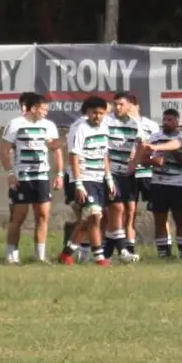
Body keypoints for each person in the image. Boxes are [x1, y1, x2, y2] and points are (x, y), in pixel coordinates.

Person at [1, 92, 63, 265]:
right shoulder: (15, 124)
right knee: (19, 216)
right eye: (43, 109)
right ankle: (12, 254)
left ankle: (40, 255)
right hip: (22, 176)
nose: (45, 113)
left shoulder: (49, 125)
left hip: (42, 176)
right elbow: (4, 150)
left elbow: (54, 148)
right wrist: (10, 173)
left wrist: (59, 173)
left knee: (43, 215)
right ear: (34, 108)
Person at [62, 96, 114, 265]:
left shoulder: (105, 127)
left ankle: (67, 253)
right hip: (83, 178)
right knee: (94, 215)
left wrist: (109, 178)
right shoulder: (79, 128)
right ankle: (99, 257)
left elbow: (104, 154)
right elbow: (74, 156)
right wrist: (78, 184)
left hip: (98, 178)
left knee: (90, 219)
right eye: (94, 113)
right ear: (87, 113)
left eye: (101, 113)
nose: (97, 116)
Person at [104, 91, 155, 262]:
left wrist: (135, 162)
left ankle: (105, 253)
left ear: (129, 106)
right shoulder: (107, 121)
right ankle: (123, 251)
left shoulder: (134, 123)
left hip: (126, 174)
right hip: (109, 172)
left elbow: (142, 142)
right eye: (115, 104)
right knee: (116, 210)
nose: (117, 107)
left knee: (123, 211)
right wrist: (107, 171)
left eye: (121, 104)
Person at [142, 107, 182, 259]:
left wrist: (175, 151)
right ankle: (164, 255)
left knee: (180, 220)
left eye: (170, 120)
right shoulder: (154, 138)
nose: (166, 123)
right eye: (164, 120)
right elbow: (143, 160)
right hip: (158, 184)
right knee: (160, 220)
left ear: (177, 122)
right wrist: (153, 161)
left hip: (177, 185)